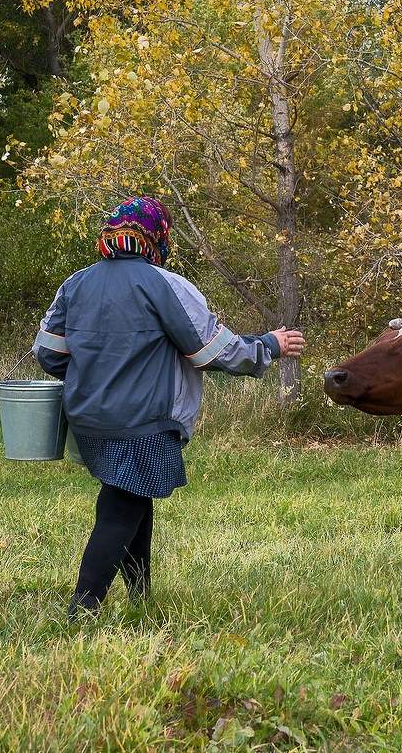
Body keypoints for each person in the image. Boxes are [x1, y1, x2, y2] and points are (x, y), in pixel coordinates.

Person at [33, 196, 305, 619]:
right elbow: (213, 352)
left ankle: (141, 599)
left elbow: (49, 354)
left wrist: (99, 365)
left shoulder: (76, 283)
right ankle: (81, 610)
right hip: (144, 420)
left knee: (133, 497)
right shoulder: (165, 285)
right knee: (120, 507)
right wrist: (269, 344)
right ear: (157, 237)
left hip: (88, 420)